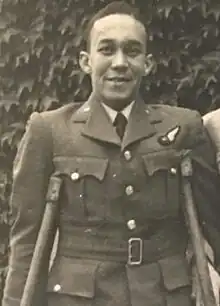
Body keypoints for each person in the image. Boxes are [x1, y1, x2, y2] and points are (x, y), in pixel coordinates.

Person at [3, 2, 220, 305]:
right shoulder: (50, 131)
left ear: (147, 63)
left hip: (164, 297)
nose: (120, 62)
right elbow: (26, 242)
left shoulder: (183, 127)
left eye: (132, 51)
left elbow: (215, 225)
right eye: (106, 50)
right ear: (86, 61)